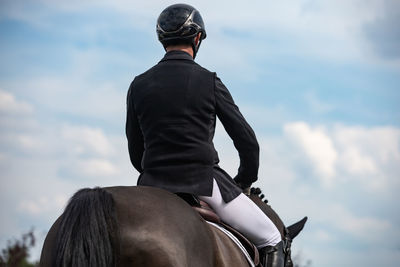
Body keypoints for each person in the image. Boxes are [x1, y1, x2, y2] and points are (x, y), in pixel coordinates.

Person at [126, 4, 284, 267]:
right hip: (202, 182)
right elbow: (247, 143)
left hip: (152, 184)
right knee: (271, 238)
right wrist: (243, 182)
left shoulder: (138, 84)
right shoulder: (208, 80)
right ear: (197, 38)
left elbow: (135, 152)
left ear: (162, 39)